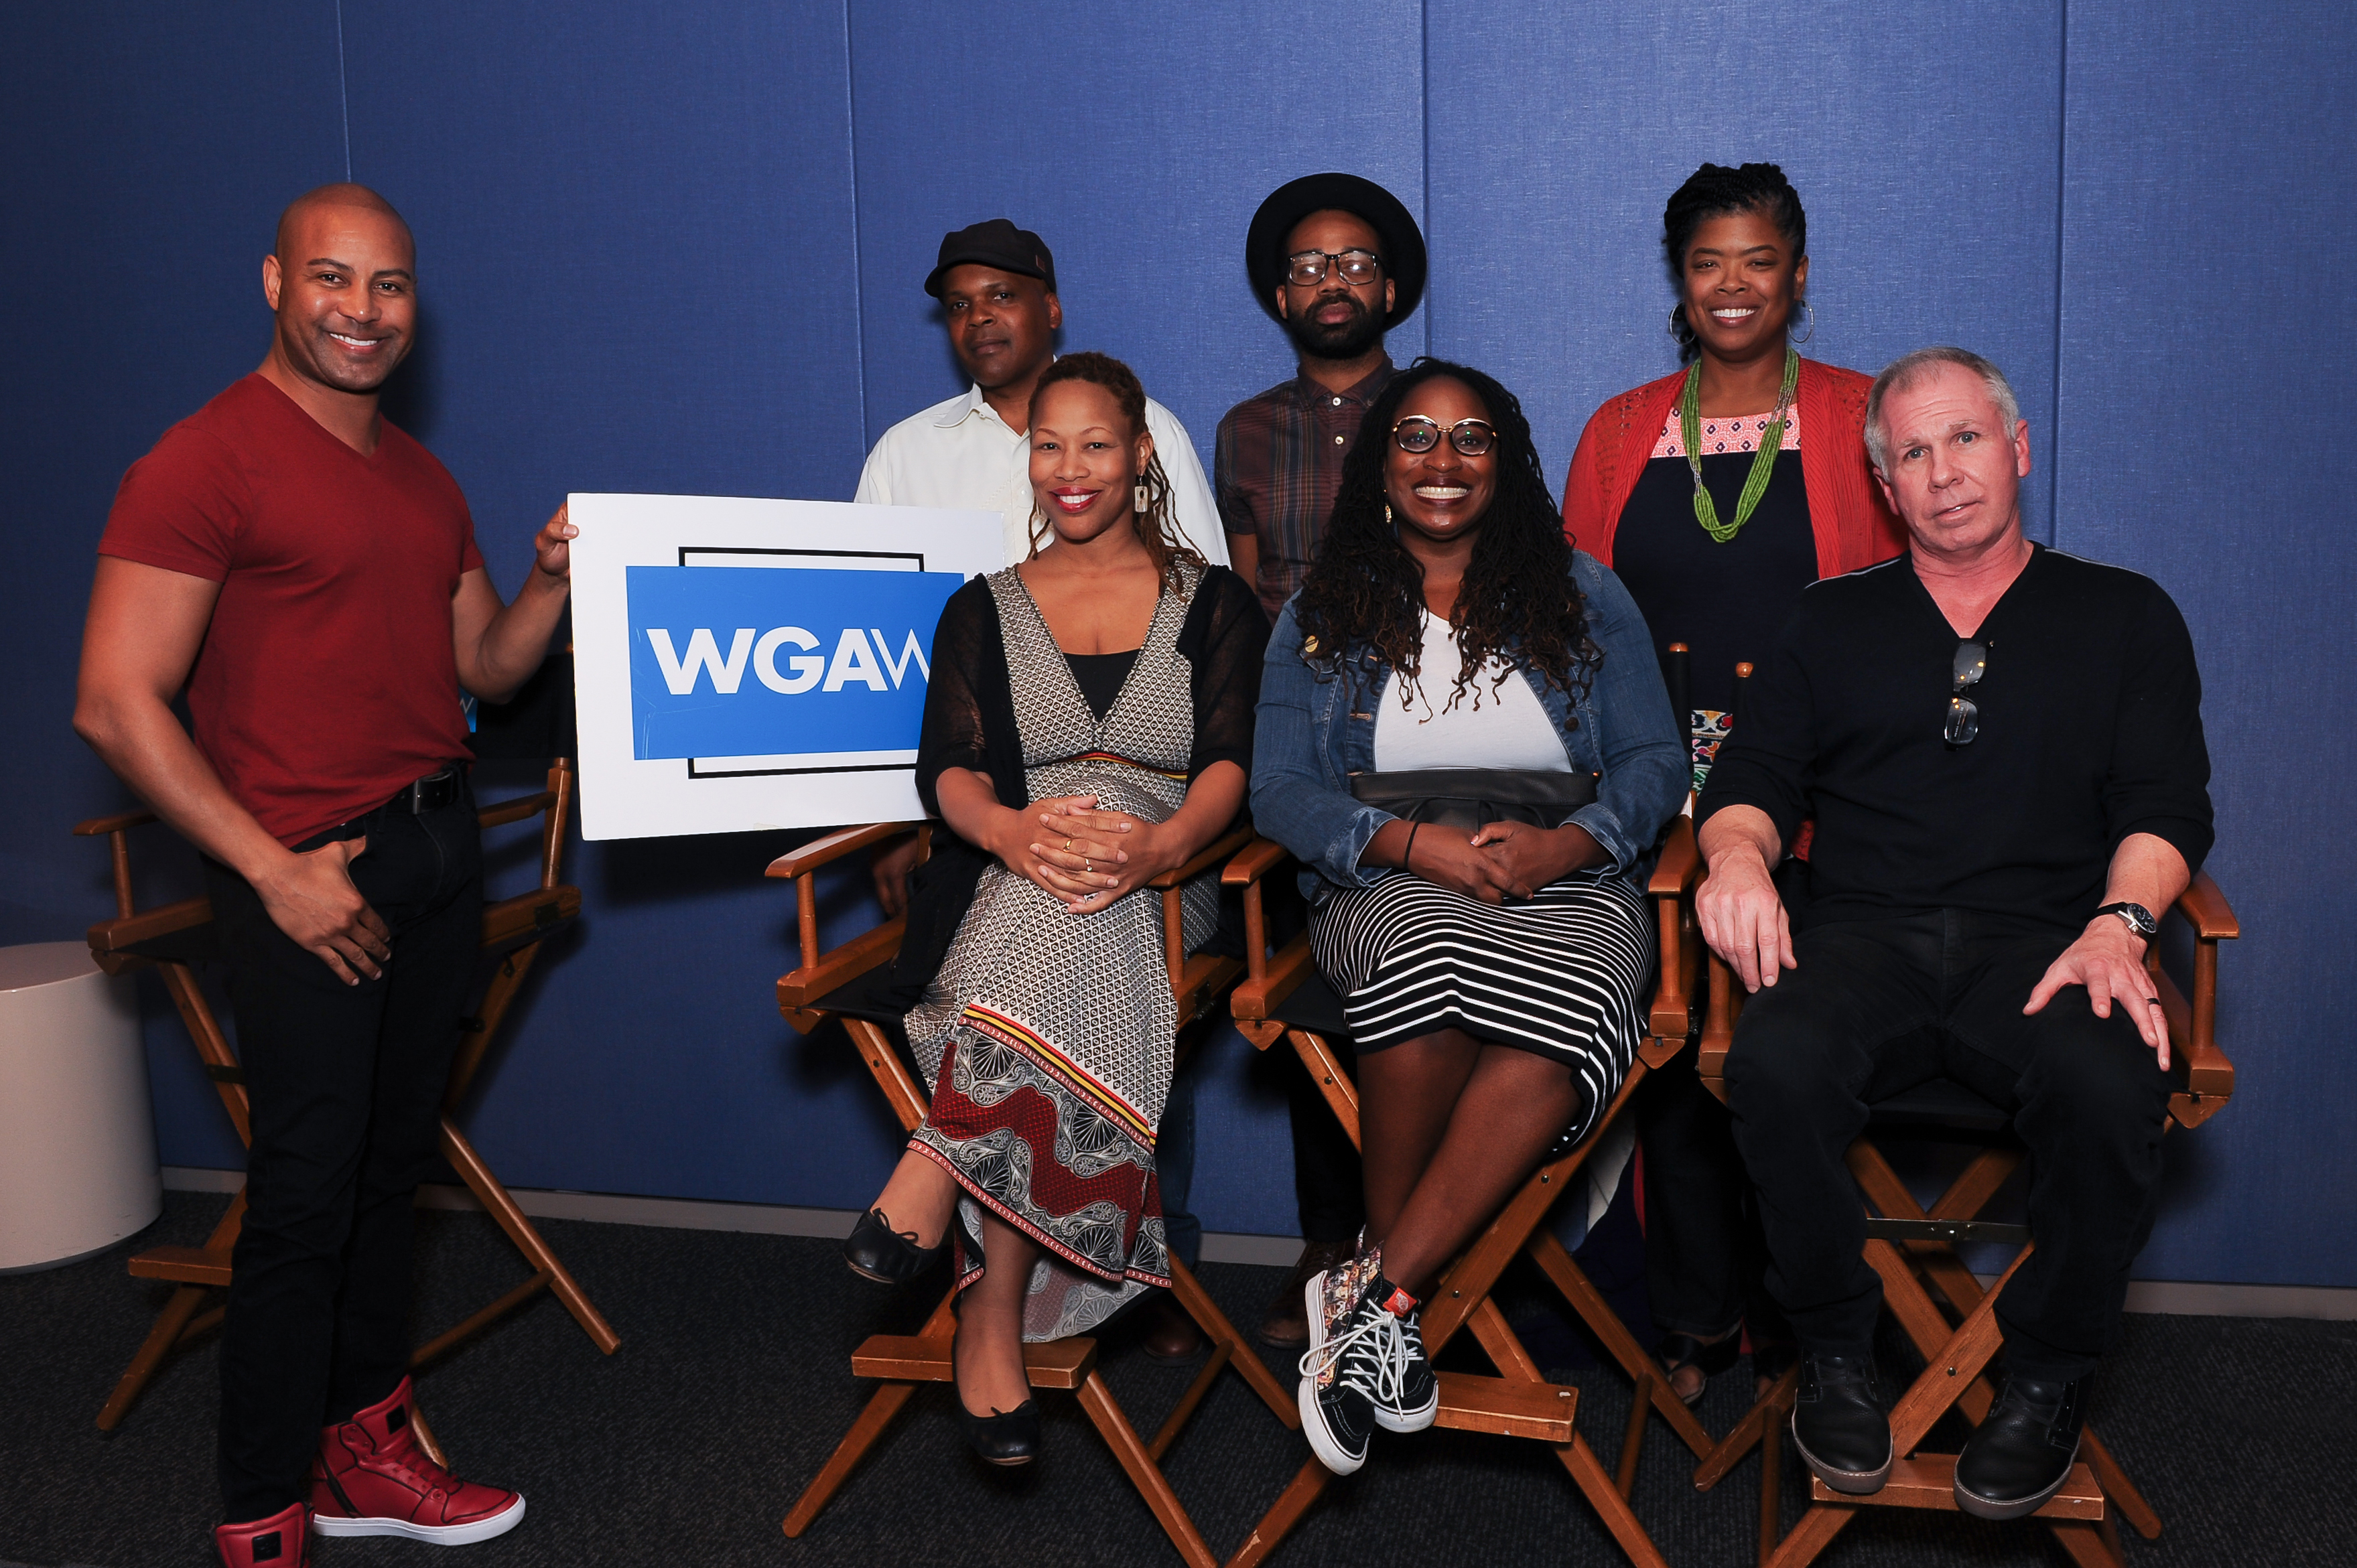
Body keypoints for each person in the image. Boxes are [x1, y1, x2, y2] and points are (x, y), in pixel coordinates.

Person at [74, 186, 567, 1568]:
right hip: (306, 871)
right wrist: (270, 870)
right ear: (275, 283)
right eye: (333, 280)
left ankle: (364, 1451)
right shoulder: (204, 459)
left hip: (433, 852)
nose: (363, 310)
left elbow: (483, 671)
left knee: (385, 1177)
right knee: (302, 1197)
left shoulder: (422, 477)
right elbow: (115, 700)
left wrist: (542, 584)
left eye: (391, 285)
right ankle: (259, 1513)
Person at [1695, 347, 2211, 1520]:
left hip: (2050, 939)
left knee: (2108, 1077)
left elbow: (2166, 806)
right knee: (1771, 1061)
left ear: (2017, 449)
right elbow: (1752, 776)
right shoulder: (1827, 621)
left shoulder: (2124, 614)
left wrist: (2121, 924)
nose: (1943, 472)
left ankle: (2043, 1374)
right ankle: (1830, 1350)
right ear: (1885, 483)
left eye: (1965, 438)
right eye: (1911, 452)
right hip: (1860, 936)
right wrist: (1733, 856)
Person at [1252, 359, 1686, 1475]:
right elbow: (1281, 790)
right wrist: (1406, 844)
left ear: (1506, 460)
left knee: (1585, 984)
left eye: (1470, 439)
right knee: (1426, 950)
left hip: (1566, 873)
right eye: (1416, 437)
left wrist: (1571, 842)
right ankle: (1392, 1315)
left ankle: (1376, 1297)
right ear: (1380, 463)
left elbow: (1650, 759)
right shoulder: (1319, 608)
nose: (1442, 461)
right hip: (1386, 873)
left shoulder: (1585, 592)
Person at [835, 352, 1266, 1465]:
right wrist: (1017, 834)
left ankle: (939, 1180)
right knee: (1052, 899)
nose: (1068, 469)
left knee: (1091, 899)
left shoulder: (1211, 600)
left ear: (1138, 457)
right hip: (1008, 876)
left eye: (1094, 444)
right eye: (1047, 444)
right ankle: (994, 1306)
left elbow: (1228, 761)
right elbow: (953, 774)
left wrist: (1164, 842)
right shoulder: (979, 608)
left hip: (1164, 888)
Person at [1560, 161, 1905, 1408]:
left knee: (1778, 1049)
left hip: (1819, 789)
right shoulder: (1617, 429)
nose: (1733, 283)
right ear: (1680, 280)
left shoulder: (1866, 415)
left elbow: (1908, 612)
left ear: (1798, 273)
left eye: (1758, 259)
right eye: (1708, 262)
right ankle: (1695, 1315)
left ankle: (1797, 1323)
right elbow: (1575, 626)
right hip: (1652, 785)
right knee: (1666, 1050)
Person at [1216, 173, 1428, 1350]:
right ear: (1279, 296)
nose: (1330, 281)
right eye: (1306, 266)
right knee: (1320, 991)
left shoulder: (1443, 409)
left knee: (1428, 976)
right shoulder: (1245, 428)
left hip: (1432, 740)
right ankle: (1333, 1235)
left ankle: (1420, 1244)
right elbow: (1245, 604)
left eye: (1351, 262)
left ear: (1388, 286)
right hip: (1298, 747)